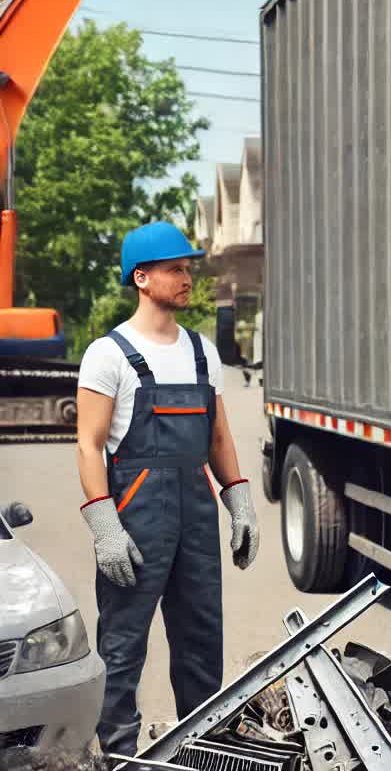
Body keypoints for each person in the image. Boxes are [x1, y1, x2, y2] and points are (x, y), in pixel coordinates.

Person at [74, 221, 258, 756]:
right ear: (141, 277)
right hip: (135, 512)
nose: (186, 278)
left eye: (187, 269)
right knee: (123, 646)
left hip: (196, 512)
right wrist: (105, 526)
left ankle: (202, 752)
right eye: (175, 269)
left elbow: (218, 435)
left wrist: (239, 500)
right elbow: (88, 445)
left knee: (202, 643)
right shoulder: (107, 355)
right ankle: (119, 755)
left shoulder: (203, 352)